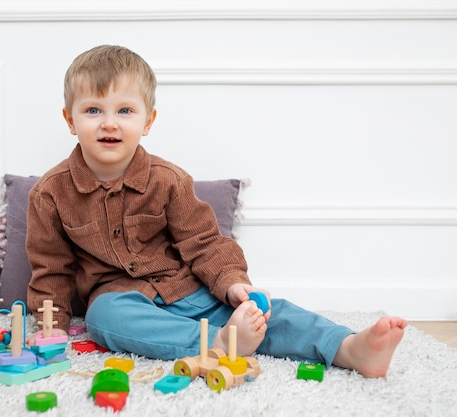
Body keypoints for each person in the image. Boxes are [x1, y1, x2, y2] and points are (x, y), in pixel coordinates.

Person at [25, 44, 407, 378]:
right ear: (71, 121)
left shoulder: (169, 179)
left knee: (261, 313)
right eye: (93, 110)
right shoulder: (50, 194)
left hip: (188, 288)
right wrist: (50, 326)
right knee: (103, 318)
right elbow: (52, 269)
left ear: (148, 121)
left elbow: (204, 242)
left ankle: (349, 348)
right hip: (123, 298)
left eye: (125, 110)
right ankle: (217, 345)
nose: (109, 122)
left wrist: (233, 282)